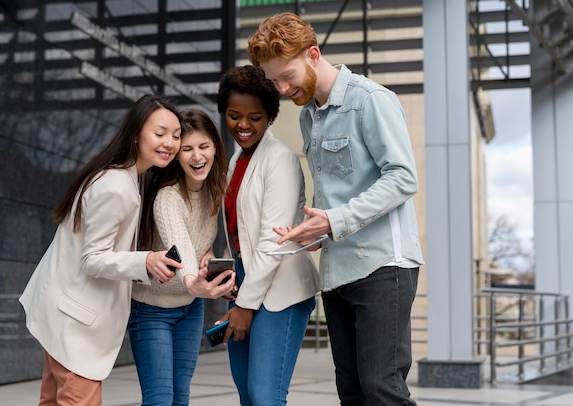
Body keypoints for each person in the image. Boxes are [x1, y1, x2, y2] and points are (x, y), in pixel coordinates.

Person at [247, 12, 424, 406]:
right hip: (337, 270)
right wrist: (316, 230)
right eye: (274, 81)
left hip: (383, 266)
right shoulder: (309, 116)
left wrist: (334, 220)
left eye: (286, 76)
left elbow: (403, 179)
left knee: (383, 389)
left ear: (313, 54)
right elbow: (339, 191)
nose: (281, 88)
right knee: (353, 393)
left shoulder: (370, 100)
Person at [19, 95, 186, 406]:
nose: (170, 143)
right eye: (160, 133)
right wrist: (145, 260)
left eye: (176, 136)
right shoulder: (116, 187)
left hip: (63, 314)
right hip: (74, 324)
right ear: (136, 134)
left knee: (51, 401)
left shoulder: (118, 176)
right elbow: (93, 259)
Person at [216, 64, 320, 405]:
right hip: (245, 282)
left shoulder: (280, 160)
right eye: (234, 115)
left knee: (265, 396)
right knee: (248, 395)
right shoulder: (235, 162)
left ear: (270, 117)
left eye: (255, 117)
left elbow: (273, 241)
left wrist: (245, 305)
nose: (243, 125)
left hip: (282, 289)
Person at [128, 108, 235, 406]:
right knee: (160, 399)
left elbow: (205, 240)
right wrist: (192, 279)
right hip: (151, 309)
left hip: (190, 309)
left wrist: (211, 255)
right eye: (186, 149)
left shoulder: (216, 190)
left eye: (203, 147)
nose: (196, 157)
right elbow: (180, 245)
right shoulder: (168, 196)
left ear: (215, 146)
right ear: (176, 154)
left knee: (180, 398)